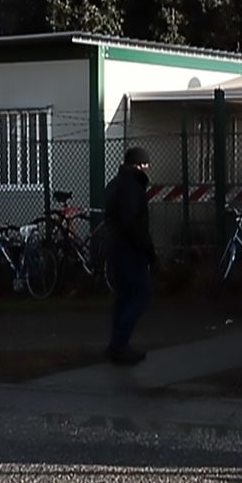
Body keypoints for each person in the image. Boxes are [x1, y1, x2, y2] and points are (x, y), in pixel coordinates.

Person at [103, 146, 156, 365]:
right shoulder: (132, 187)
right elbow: (134, 224)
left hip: (117, 247)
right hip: (130, 250)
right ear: (140, 165)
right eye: (146, 165)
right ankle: (120, 345)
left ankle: (117, 343)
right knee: (139, 295)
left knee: (124, 297)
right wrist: (149, 252)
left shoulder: (116, 184)